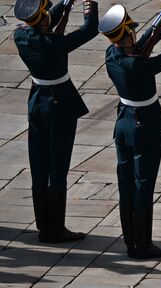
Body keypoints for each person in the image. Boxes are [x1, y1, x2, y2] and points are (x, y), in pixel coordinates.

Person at [100, 1, 161, 259]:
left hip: (124, 124)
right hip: (144, 126)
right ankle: (143, 245)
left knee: (126, 186)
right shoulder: (136, 65)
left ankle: (131, 241)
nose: (136, 34)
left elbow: (140, 45)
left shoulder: (112, 54)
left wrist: (160, 21)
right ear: (127, 34)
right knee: (143, 187)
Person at [15, 0, 99, 243]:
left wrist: (64, 4)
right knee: (57, 169)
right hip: (59, 107)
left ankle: (44, 225)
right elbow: (89, 30)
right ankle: (57, 229)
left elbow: (44, 23)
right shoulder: (55, 44)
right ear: (41, 19)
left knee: (39, 169)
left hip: (37, 104)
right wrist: (89, 4)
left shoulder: (20, 36)